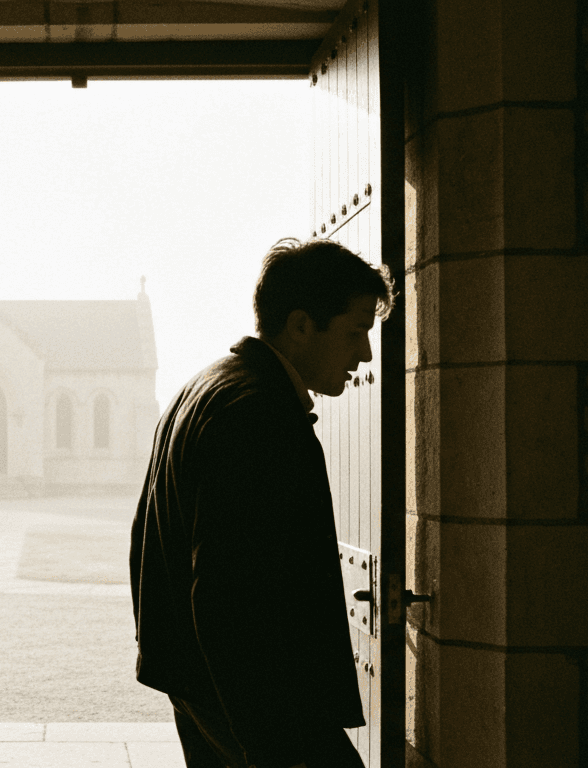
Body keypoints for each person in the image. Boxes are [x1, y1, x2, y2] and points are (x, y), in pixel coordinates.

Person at [129, 237, 394, 768]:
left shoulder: (204, 386)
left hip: (195, 679)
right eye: (354, 330)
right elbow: (227, 593)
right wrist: (269, 743)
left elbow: (145, 545)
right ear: (300, 326)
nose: (365, 352)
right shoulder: (258, 414)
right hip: (262, 703)